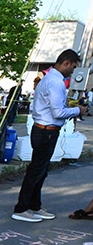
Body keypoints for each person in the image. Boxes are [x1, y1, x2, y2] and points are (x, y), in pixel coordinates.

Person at [12, 49, 87, 223]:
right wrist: (77, 110)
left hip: (44, 129)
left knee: (41, 170)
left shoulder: (51, 79)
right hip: (46, 130)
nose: (73, 72)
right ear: (66, 63)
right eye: (73, 67)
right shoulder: (55, 82)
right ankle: (22, 208)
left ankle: (34, 205)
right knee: (36, 171)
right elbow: (58, 111)